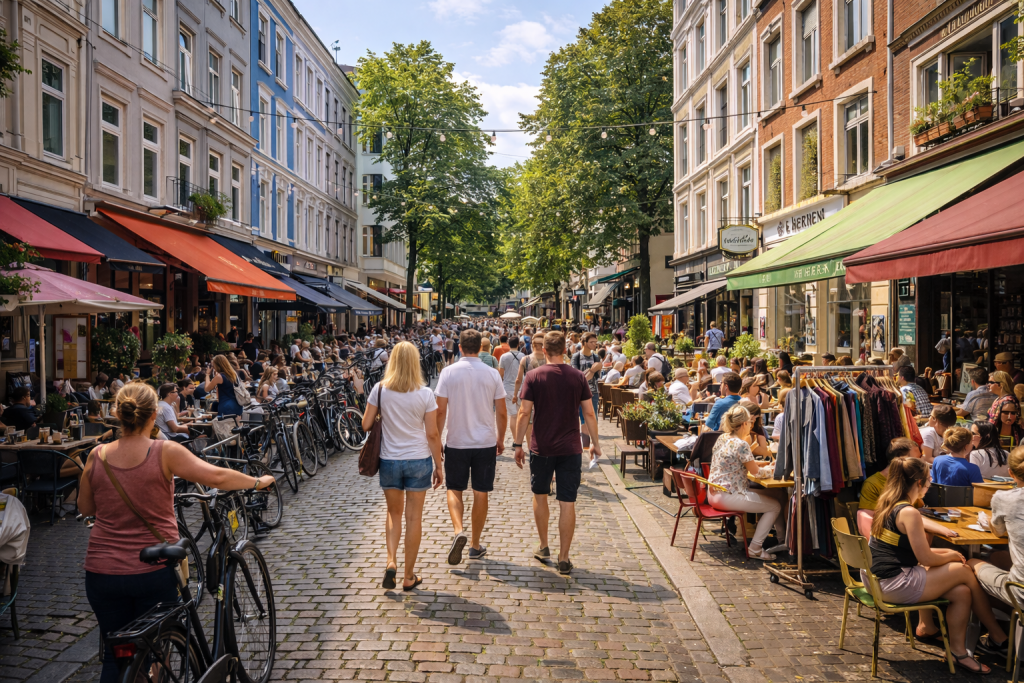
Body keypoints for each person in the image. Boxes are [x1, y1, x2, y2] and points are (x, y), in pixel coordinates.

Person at [78, 383, 274, 683]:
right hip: (152, 570)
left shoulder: (98, 455)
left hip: (102, 572)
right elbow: (217, 476)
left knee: (115, 655)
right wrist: (258, 481)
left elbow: (86, 507)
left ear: (117, 414)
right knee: (158, 650)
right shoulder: (164, 451)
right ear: (154, 415)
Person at [867, 457, 1005, 673]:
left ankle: (958, 652)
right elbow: (927, 559)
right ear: (919, 482)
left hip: (877, 579)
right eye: (929, 478)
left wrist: (950, 554)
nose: (931, 482)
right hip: (894, 583)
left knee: (961, 592)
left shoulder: (888, 503)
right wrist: (952, 556)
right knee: (963, 569)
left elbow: (913, 552)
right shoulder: (909, 512)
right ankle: (997, 635)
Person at [513, 332, 600, 575]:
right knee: (567, 502)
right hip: (571, 448)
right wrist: (595, 443)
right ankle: (564, 557)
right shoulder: (577, 377)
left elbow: (523, 413)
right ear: (565, 349)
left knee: (540, 495)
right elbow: (589, 413)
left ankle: (543, 546)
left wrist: (518, 444)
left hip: (541, 447)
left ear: (543, 349)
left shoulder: (533, 376)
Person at [361, 342, 443, 591]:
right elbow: (432, 434)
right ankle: (409, 576)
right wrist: (439, 465)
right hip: (418, 460)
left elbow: (365, 425)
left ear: (392, 362)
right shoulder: (425, 393)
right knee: (414, 517)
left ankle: (391, 561)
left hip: (389, 460)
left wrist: (382, 414)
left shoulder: (380, 389)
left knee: (393, 515)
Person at [434, 329, 507, 565]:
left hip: (457, 440)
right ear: (481, 347)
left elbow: (441, 410)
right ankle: (475, 544)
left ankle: (458, 531)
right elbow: (502, 412)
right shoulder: (492, 374)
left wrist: (436, 439)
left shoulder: (448, 373)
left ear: (460, 347)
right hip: (485, 441)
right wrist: (501, 438)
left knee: (454, 489)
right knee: (481, 491)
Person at [706, 405, 785, 560]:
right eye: (749, 422)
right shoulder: (741, 444)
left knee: (778, 494)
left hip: (714, 493)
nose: (751, 425)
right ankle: (755, 548)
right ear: (743, 424)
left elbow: (737, 462)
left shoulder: (722, 438)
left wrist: (761, 465)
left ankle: (782, 540)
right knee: (775, 506)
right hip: (729, 495)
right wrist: (774, 469)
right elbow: (756, 473)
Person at [968, 445, 1024, 651]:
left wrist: (988, 521)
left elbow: (998, 532)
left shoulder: (1004, 498)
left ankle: (996, 636)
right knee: (999, 556)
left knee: (969, 565)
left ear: (1010, 473)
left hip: (1021, 591)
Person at [855, 438, 960, 538]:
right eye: (917, 458)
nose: (921, 461)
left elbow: (919, 511)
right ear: (901, 458)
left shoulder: (910, 481)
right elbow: (867, 521)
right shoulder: (873, 484)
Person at [571, 332, 601, 447]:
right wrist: (592, 371)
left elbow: (597, 376)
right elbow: (577, 377)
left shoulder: (596, 356)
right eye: (591, 342)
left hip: (593, 392)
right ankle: (586, 445)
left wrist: (593, 372)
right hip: (579, 393)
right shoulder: (576, 356)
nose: (594, 344)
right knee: (583, 419)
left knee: (594, 418)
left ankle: (593, 445)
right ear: (584, 342)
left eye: (595, 342)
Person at [497, 337, 525, 443]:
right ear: (518, 344)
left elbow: (501, 373)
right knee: (521, 415)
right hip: (522, 388)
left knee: (513, 416)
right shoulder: (523, 356)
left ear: (509, 344)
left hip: (508, 388)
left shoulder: (504, 357)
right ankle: (520, 438)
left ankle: (515, 439)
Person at [987, 370, 1024, 447]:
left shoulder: (1008, 403)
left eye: (991, 382)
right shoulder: (999, 399)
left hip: (1003, 443)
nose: (988, 384)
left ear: (1000, 385)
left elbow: (1007, 426)